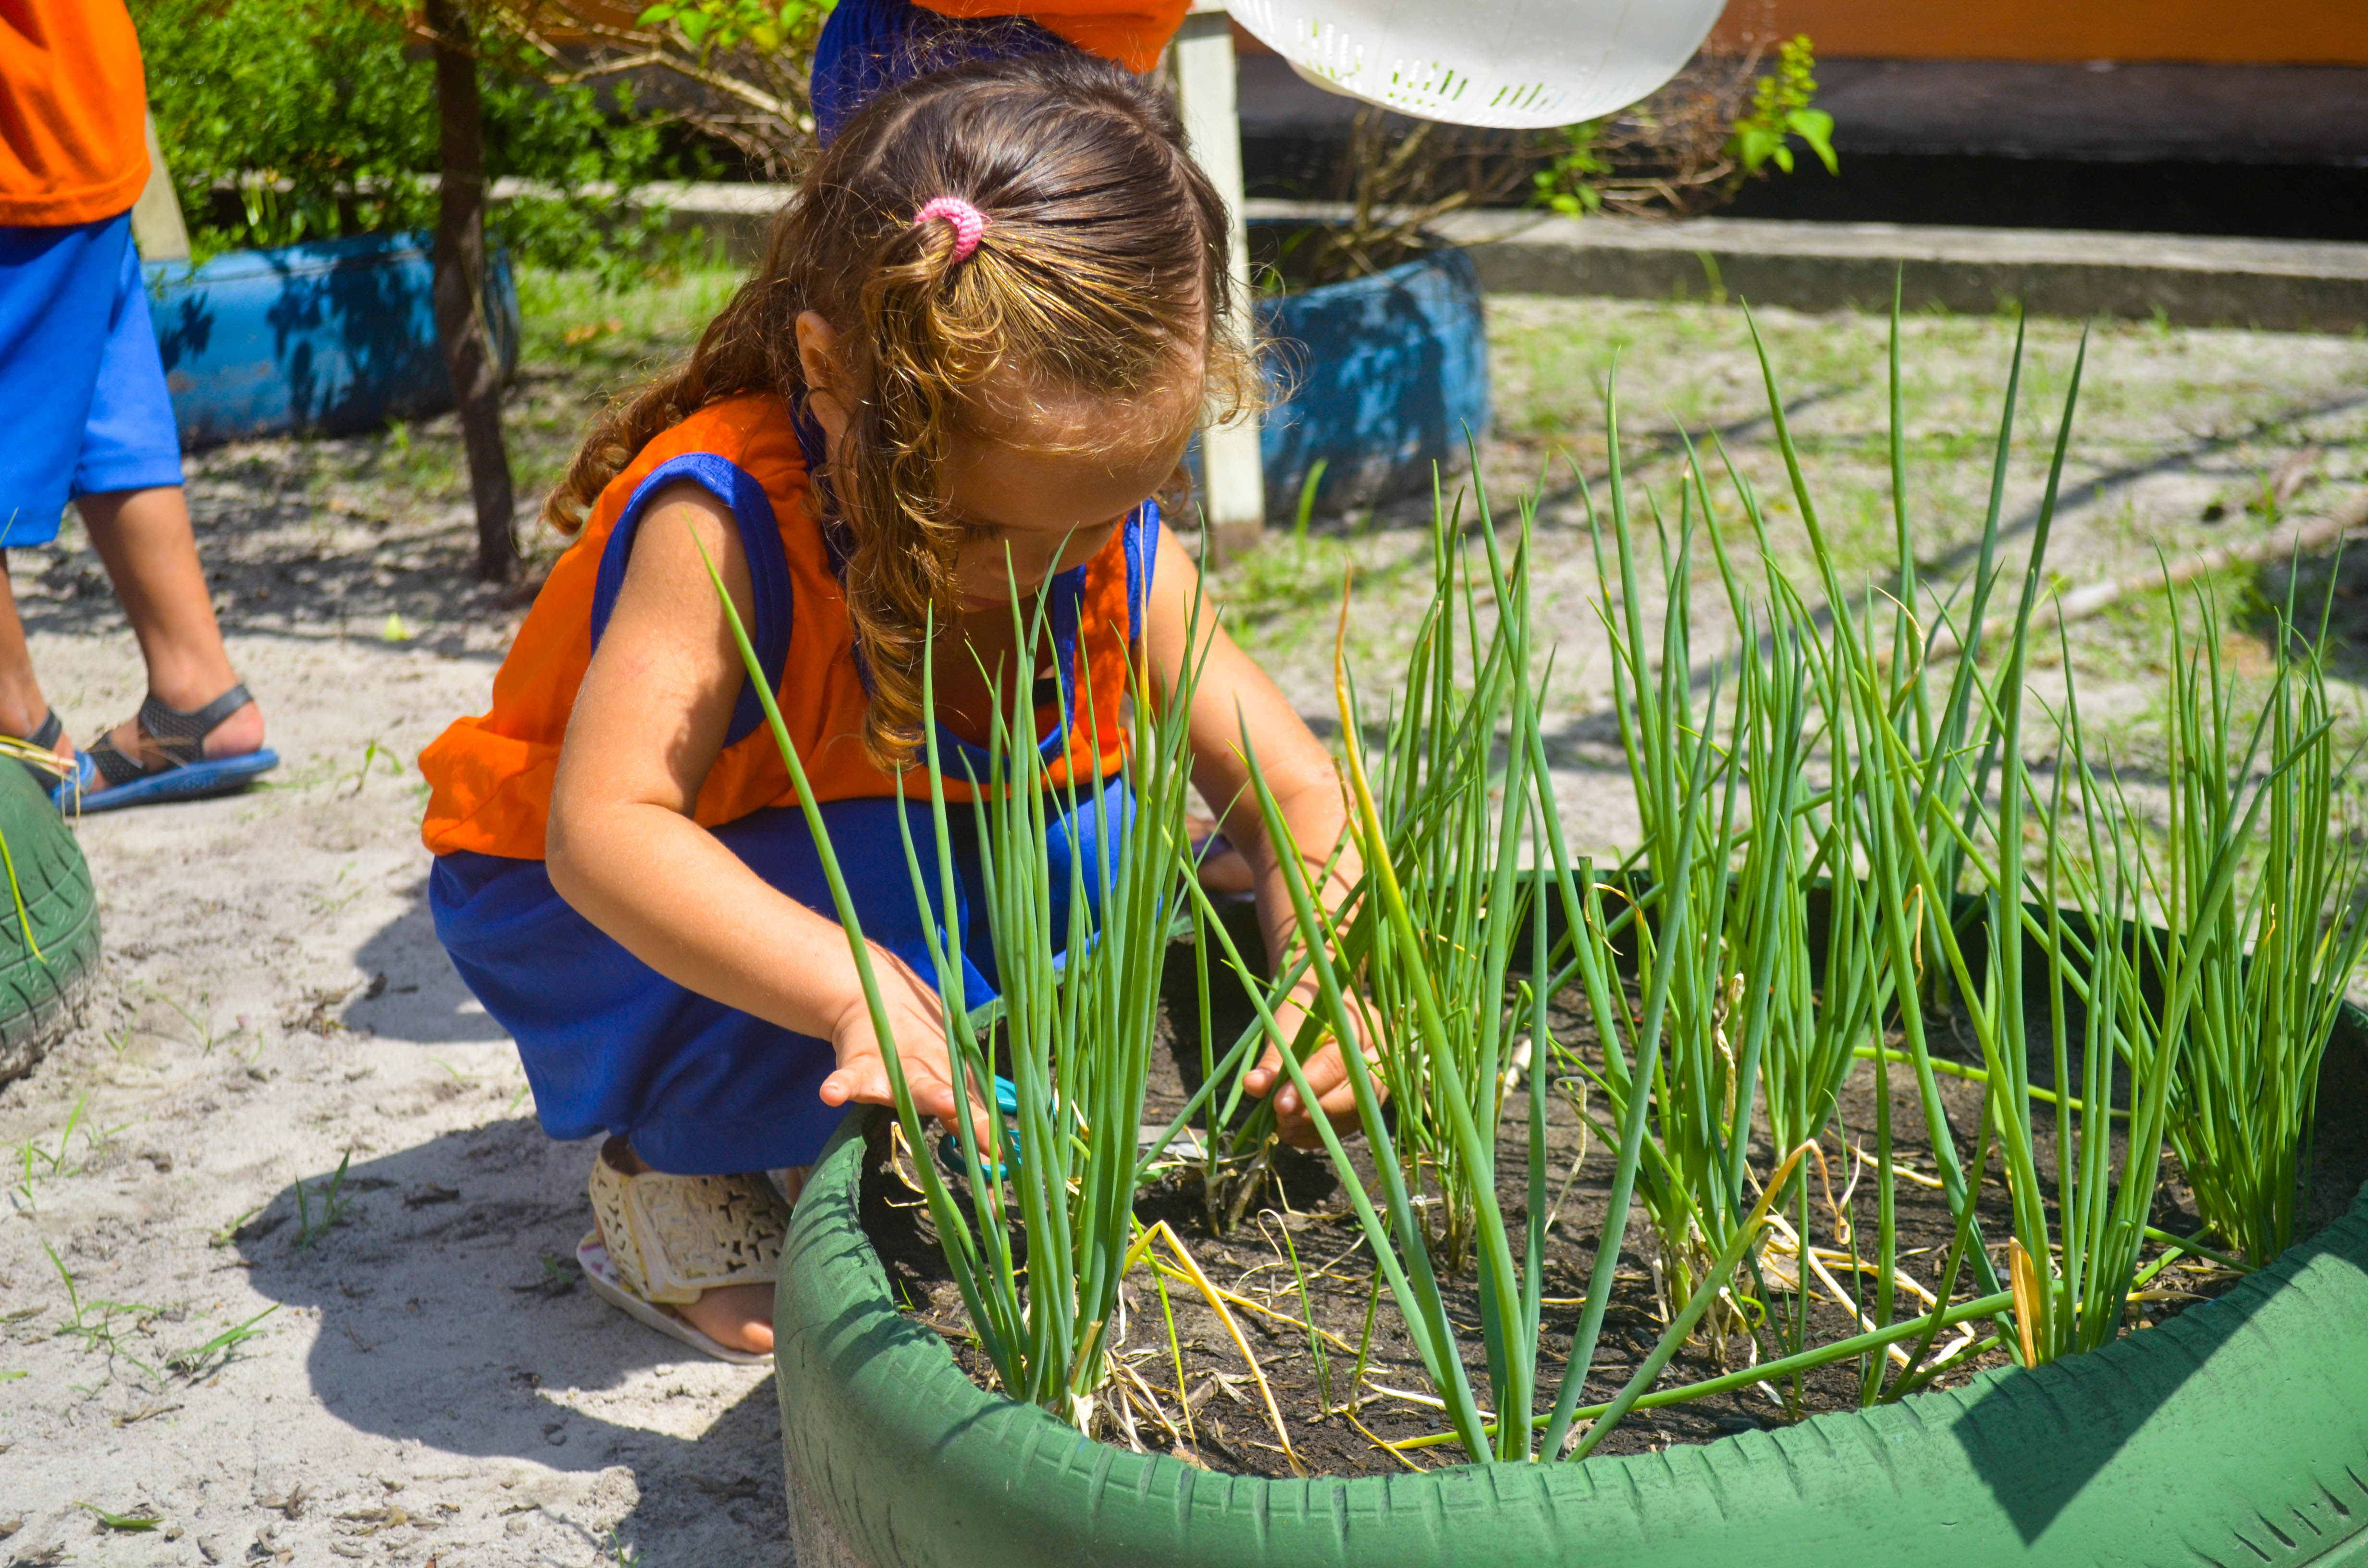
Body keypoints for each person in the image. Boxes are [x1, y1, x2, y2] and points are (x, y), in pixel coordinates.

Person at [419, 47, 1370, 1365]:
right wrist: (842, 983)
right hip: (593, 904)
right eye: (978, 527)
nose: (1054, 566)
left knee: (1104, 844)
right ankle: (676, 1162)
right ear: (828, 374)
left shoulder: (1099, 537)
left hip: (883, 857)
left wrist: (1323, 968)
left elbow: (1294, 790)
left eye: (1110, 512)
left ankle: (890, 1072)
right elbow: (606, 832)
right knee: (880, 877)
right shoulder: (722, 521)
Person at [0, 0, 275, 808]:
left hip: (17, 122)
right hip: (76, 88)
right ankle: (199, 696)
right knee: (101, 386)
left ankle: (18, 740)